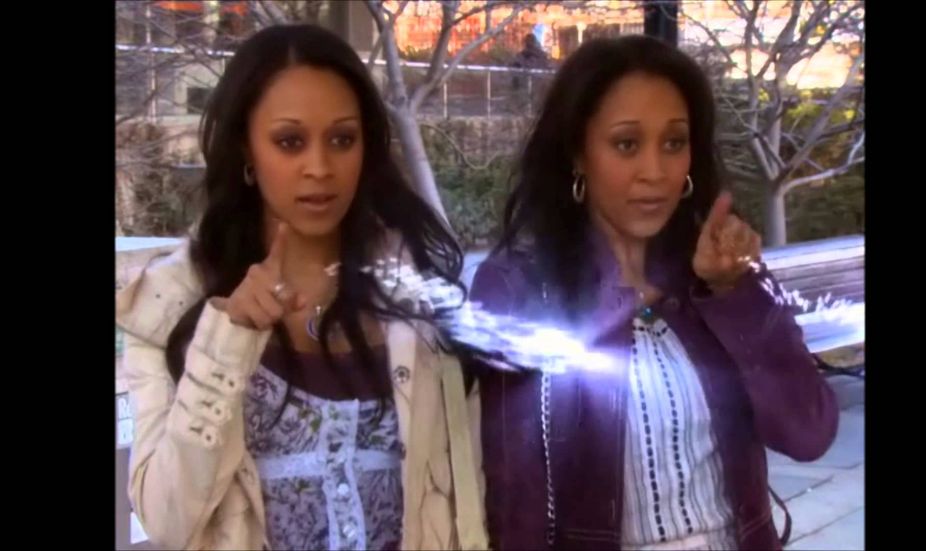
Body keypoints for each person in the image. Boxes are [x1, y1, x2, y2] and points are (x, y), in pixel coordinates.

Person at [116, 25, 487, 551]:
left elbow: (469, 503)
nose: (319, 168)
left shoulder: (419, 302)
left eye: (342, 139)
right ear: (247, 148)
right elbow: (168, 522)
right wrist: (227, 341)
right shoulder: (169, 302)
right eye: (290, 142)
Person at [469, 35, 838, 550]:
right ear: (578, 152)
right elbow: (515, 501)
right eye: (626, 144)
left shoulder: (717, 274)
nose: (655, 172)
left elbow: (809, 433)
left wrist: (736, 292)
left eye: (674, 143)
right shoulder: (520, 290)